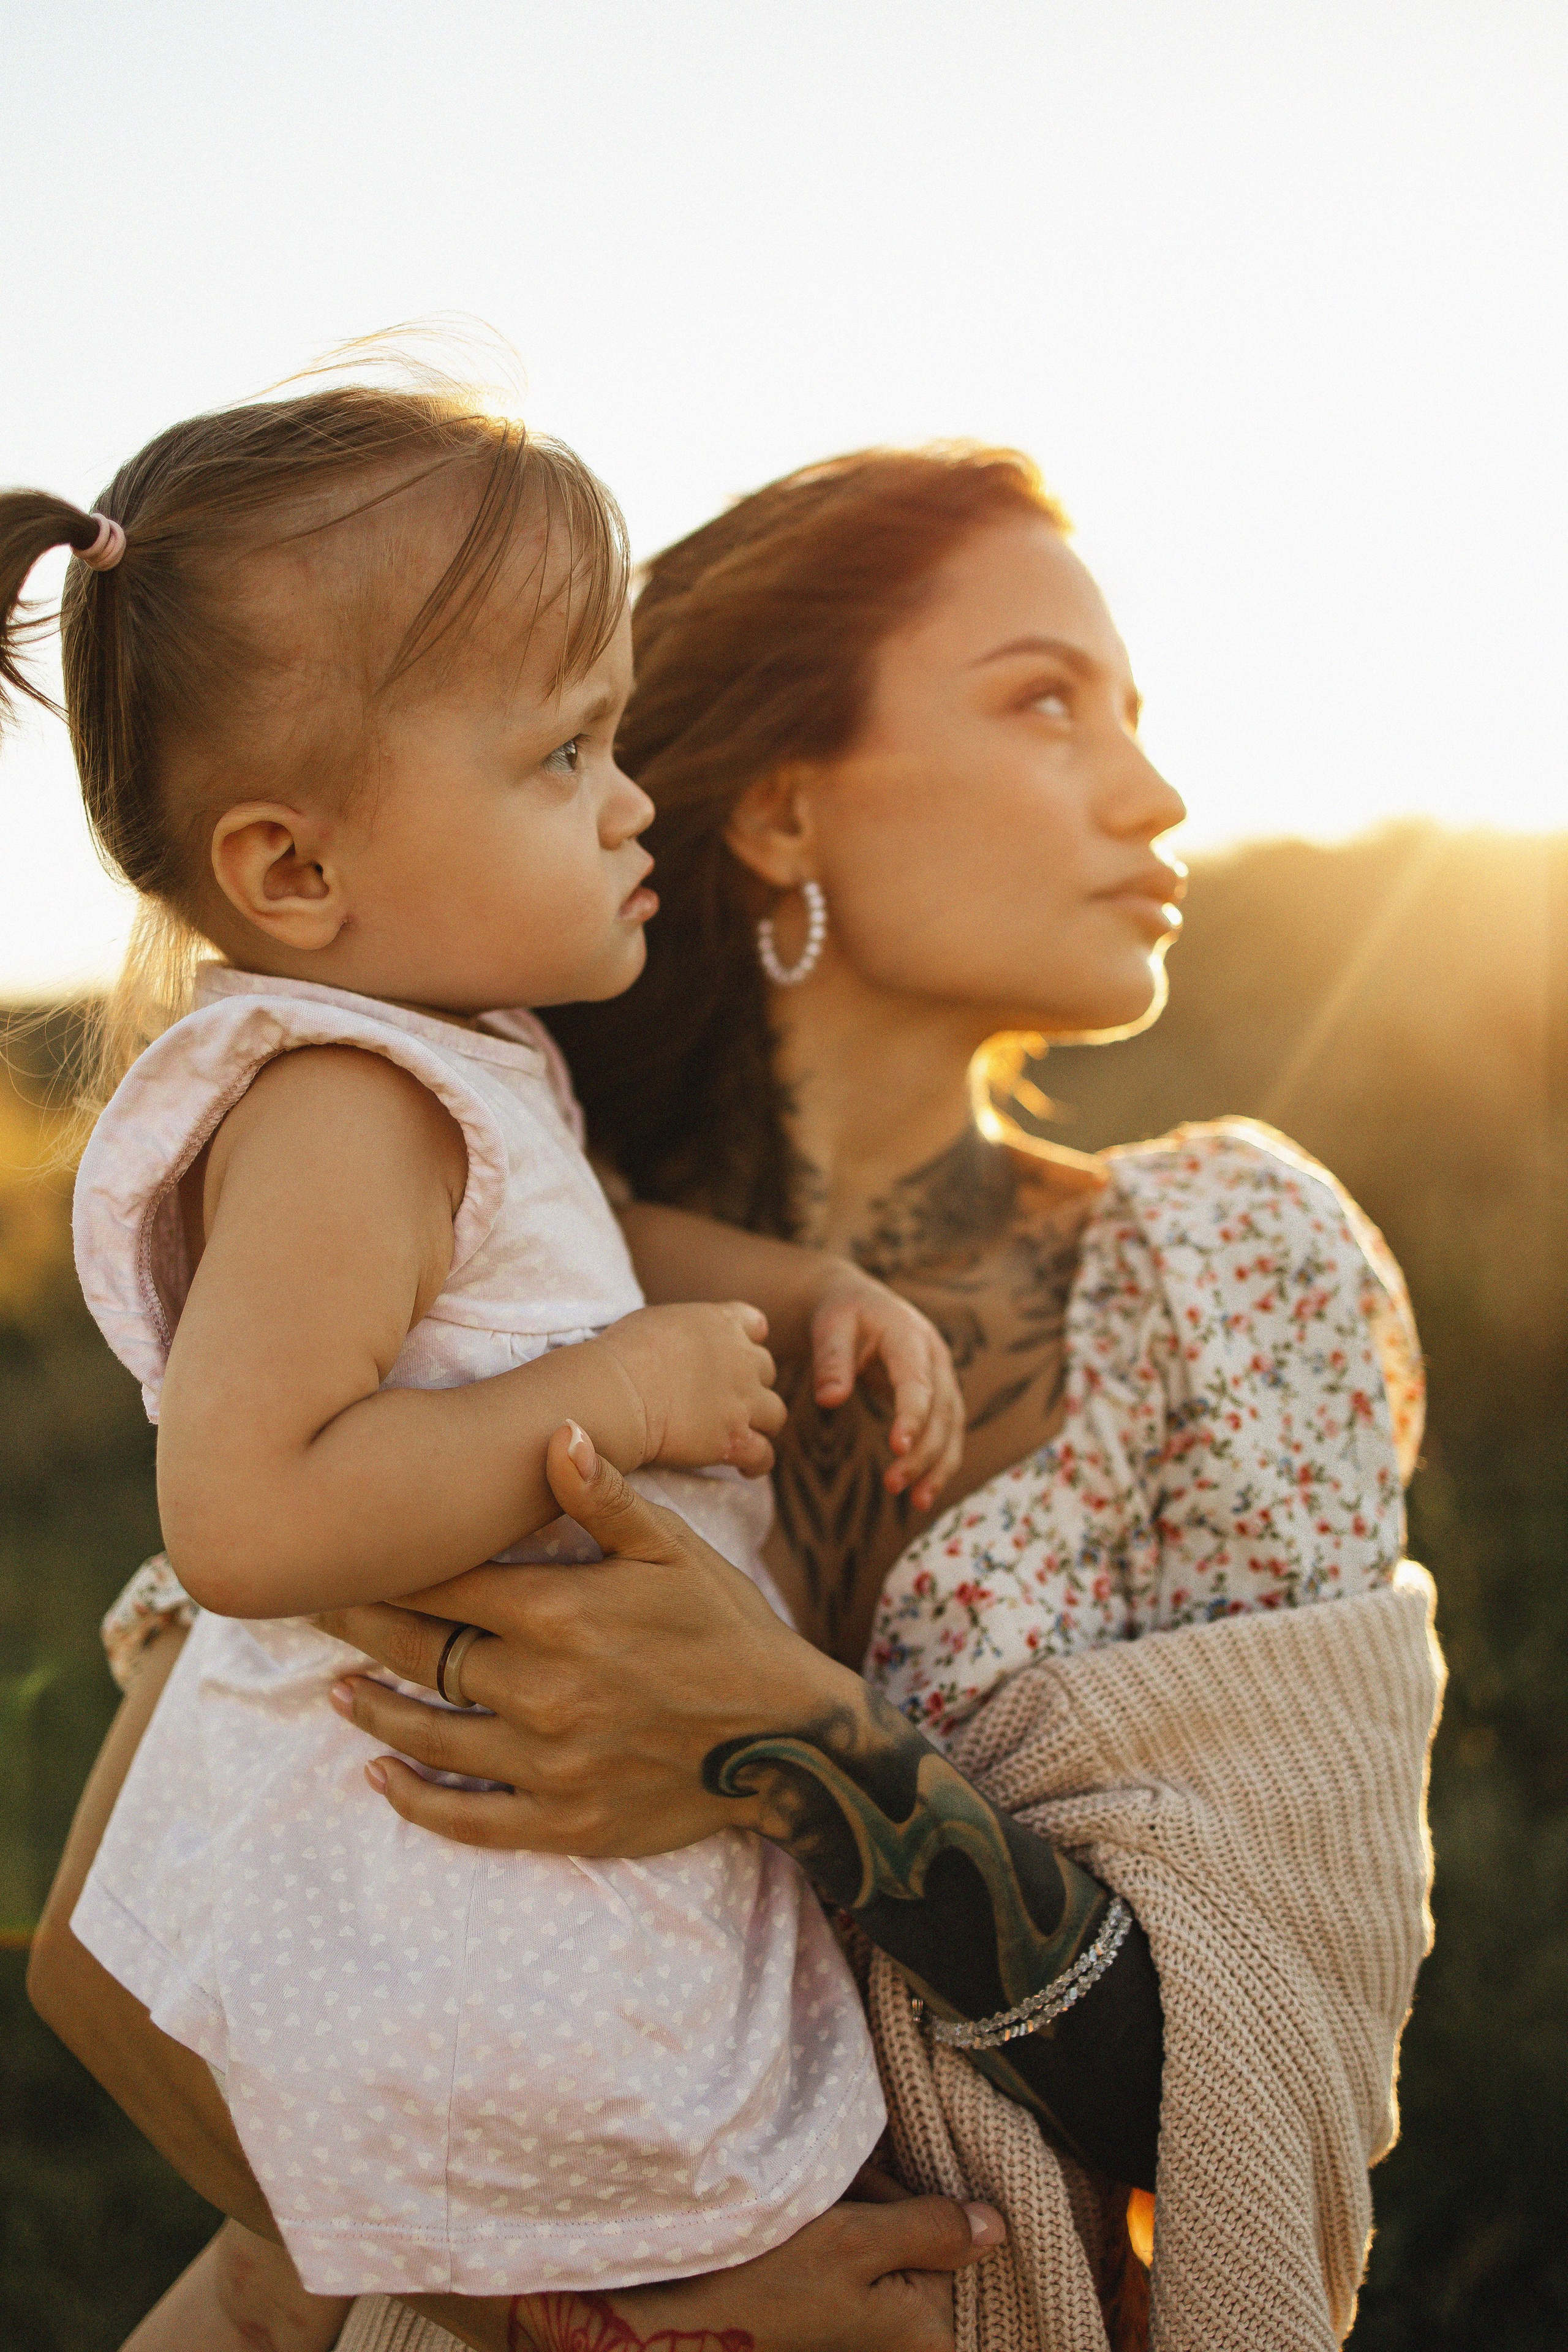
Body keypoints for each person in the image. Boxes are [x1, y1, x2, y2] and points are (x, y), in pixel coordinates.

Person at [31, 443, 1442, 2352]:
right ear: (779, 808)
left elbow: (1289, 2090)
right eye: (1046, 701)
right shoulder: (461, 1231)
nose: (1157, 790)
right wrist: (592, 2320)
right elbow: (114, 1958)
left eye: (1139, 713)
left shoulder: (1232, 1269)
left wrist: (791, 1739)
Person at [1, 391, 993, 2329]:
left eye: (609, 731)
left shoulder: (460, 1052)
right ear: (294, 874)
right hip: (434, 1851)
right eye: (560, 752)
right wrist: (609, 1399)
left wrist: (803, 1289)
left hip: (537, 1789)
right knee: (647, 2194)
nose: (629, 800)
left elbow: (590, 1242)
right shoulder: (343, 1112)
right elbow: (244, 1508)